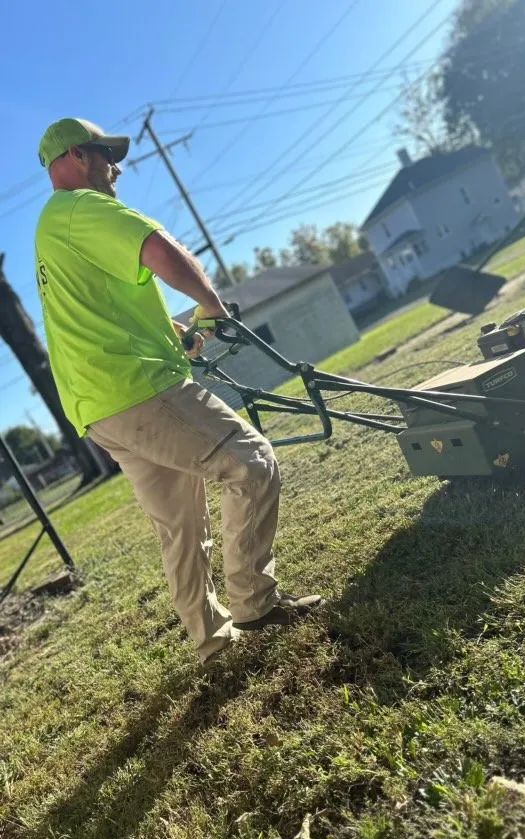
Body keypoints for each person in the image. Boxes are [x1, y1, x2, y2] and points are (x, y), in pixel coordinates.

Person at [35, 118, 324, 670]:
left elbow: (109, 307)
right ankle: (256, 605)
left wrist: (180, 333)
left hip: (101, 408)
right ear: (75, 156)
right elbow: (161, 252)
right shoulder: (82, 208)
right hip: (138, 388)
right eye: (104, 155)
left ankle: (212, 641)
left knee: (180, 526)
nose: (115, 168)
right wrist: (212, 305)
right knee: (251, 461)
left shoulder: (53, 231)